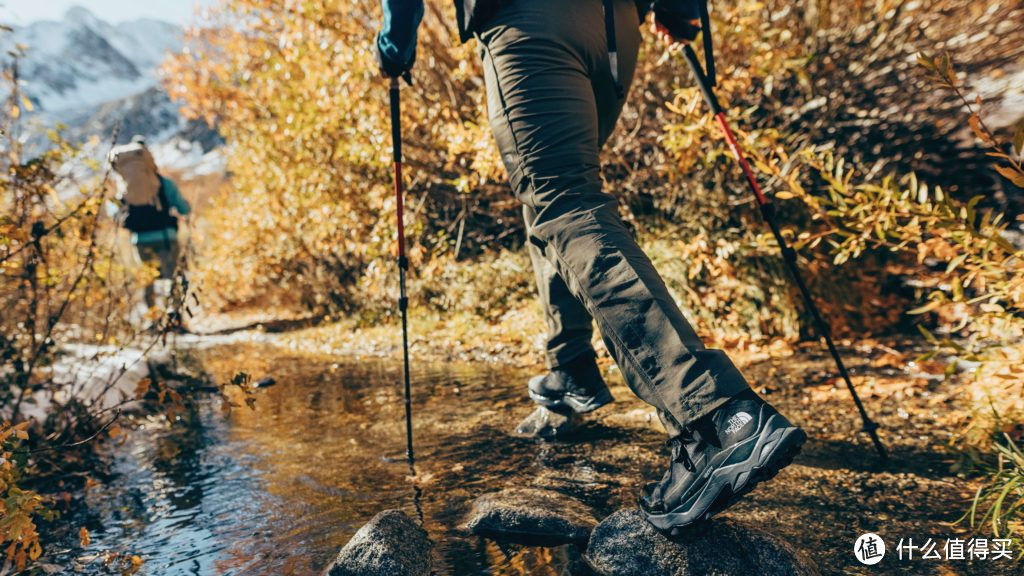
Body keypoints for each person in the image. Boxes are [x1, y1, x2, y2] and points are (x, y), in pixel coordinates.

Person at [376, 0, 806, 532]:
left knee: (563, 203)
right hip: (613, 33)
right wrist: (678, 8)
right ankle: (571, 367)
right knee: (557, 199)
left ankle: (717, 417)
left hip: (529, 22)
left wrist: (396, 42)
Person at [108, 135, 191, 310]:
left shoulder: (125, 188)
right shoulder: (163, 183)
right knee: (172, 276)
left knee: (147, 279)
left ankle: (152, 318)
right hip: (166, 235)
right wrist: (185, 209)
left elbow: (115, 214)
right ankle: (174, 316)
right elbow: (183, 208)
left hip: (139, 239)